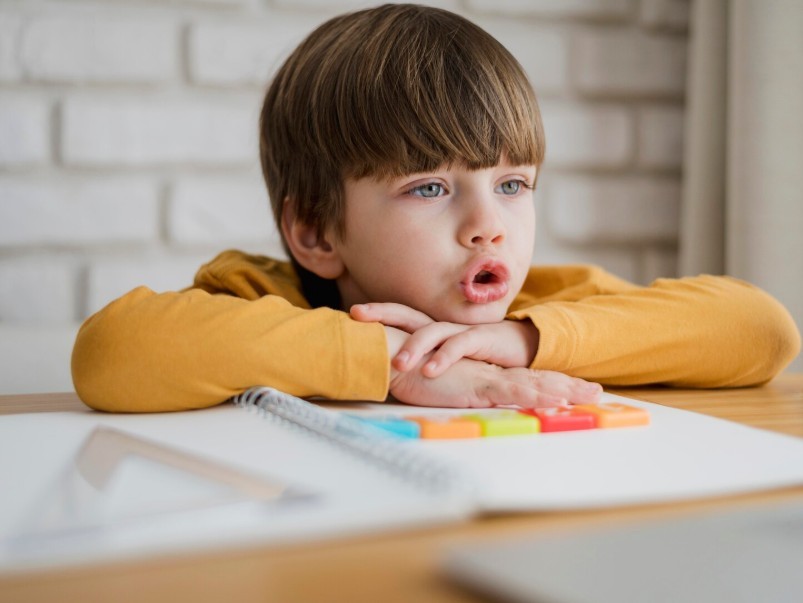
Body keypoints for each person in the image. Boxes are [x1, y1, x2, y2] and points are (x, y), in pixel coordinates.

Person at [71, 4, 800, 413]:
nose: (489, 223)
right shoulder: (264, 299)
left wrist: (513, 344)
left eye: (512, 184)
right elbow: (112, 354)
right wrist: (396, 359)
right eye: (429, 187)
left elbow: (760, 330)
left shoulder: (545, 307)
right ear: (316, 231)